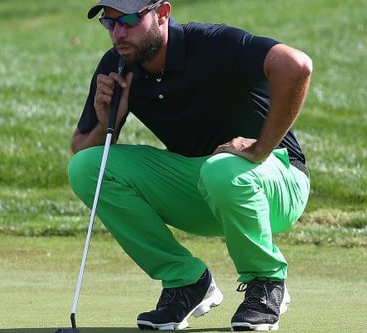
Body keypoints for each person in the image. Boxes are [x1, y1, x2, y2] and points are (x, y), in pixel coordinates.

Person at [68, 0, 312, 331]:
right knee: (86, 167)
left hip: (278, 181)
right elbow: (81, 149)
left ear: (163, 13)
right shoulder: (118, 66)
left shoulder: (211, 43)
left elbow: (296, 66)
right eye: (110, 24)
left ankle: (267, 283)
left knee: (220, 169)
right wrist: (108, 119)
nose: (118, 33)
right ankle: (186, 282)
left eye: (128, 19)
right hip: (203, 185)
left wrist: (261, 146)